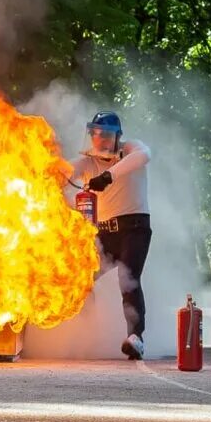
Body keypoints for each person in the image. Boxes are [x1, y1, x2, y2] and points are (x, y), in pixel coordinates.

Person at [69, 111, 152, 360]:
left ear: (117, 136)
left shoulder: (130, 150)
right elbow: (62, 174)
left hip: (134, 229)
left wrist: (108, 176)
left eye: (105, 134)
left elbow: (144, 156)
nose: (99, 140)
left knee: (128, 280)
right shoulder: (87, 162)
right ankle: (85, 335)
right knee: (81, 280)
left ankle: (136, 338)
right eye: (94, 134)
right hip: (103, 233)